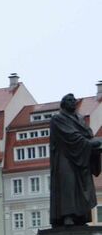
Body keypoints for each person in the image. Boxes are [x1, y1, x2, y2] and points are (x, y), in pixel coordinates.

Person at [49, 93, 102, 227]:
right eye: (69, 100)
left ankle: (81, 216)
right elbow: (70, 136)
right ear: (63, 104)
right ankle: (67, 216)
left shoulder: (80, 118)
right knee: (68, 184)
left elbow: (88, 133)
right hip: (65, 157)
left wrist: (94, 144)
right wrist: (89, 143)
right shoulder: (57, 119)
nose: (73, 102)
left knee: (83, 186)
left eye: (74, 100)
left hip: (81, 156)